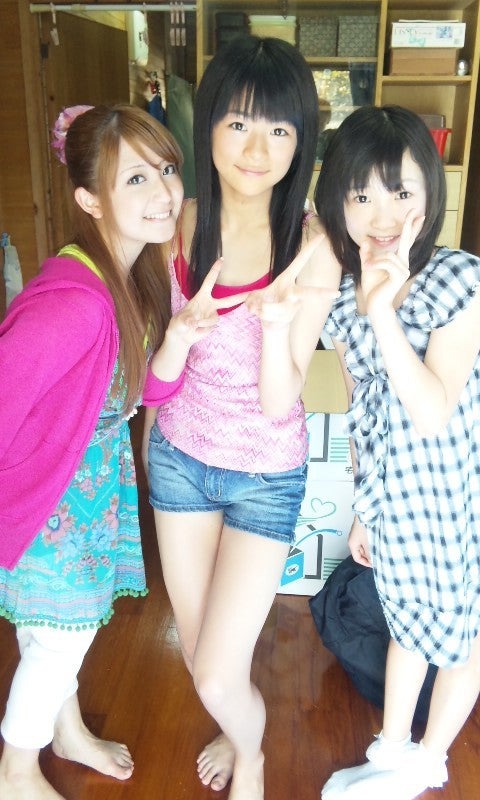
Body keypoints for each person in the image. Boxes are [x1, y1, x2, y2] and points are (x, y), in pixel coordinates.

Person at [0, 102, 234, 800]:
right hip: (48, 499)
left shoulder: (126, 278)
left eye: (167, 169)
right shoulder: (73, 304)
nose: (164, 191)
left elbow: (137, 395)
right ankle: (15, 773)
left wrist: (179, 339)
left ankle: (66, 730)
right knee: (59, 637)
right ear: (88, 200)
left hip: (85, 489)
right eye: (135, 178)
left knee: (54, 627)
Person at [143, 34, 341, 800]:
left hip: (265, 476)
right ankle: (238, 735)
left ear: (301, 140)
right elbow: (160, 359)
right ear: (209, 128)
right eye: (238, 123)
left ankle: (251, 758)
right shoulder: (180, 223)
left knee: (219, 677)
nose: (258, 149)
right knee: (202, 663)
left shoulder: (313, 249)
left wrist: (274, 320)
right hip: (180, 464)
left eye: (280, 129)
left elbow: (277, 401)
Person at [314, 104, 480, 800]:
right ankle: (391, 751)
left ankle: (426, 762)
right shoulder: (339, 298)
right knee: (405, 619)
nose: (382, 215)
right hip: (395, 498)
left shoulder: (458, 279)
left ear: (429, 195)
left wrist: (383, 312)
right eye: (361, 194)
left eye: (401, 191)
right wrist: (365, 509)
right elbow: (363, 410)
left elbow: (431, 409)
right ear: (337, 202)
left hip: (454, 495)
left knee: (461, 635)